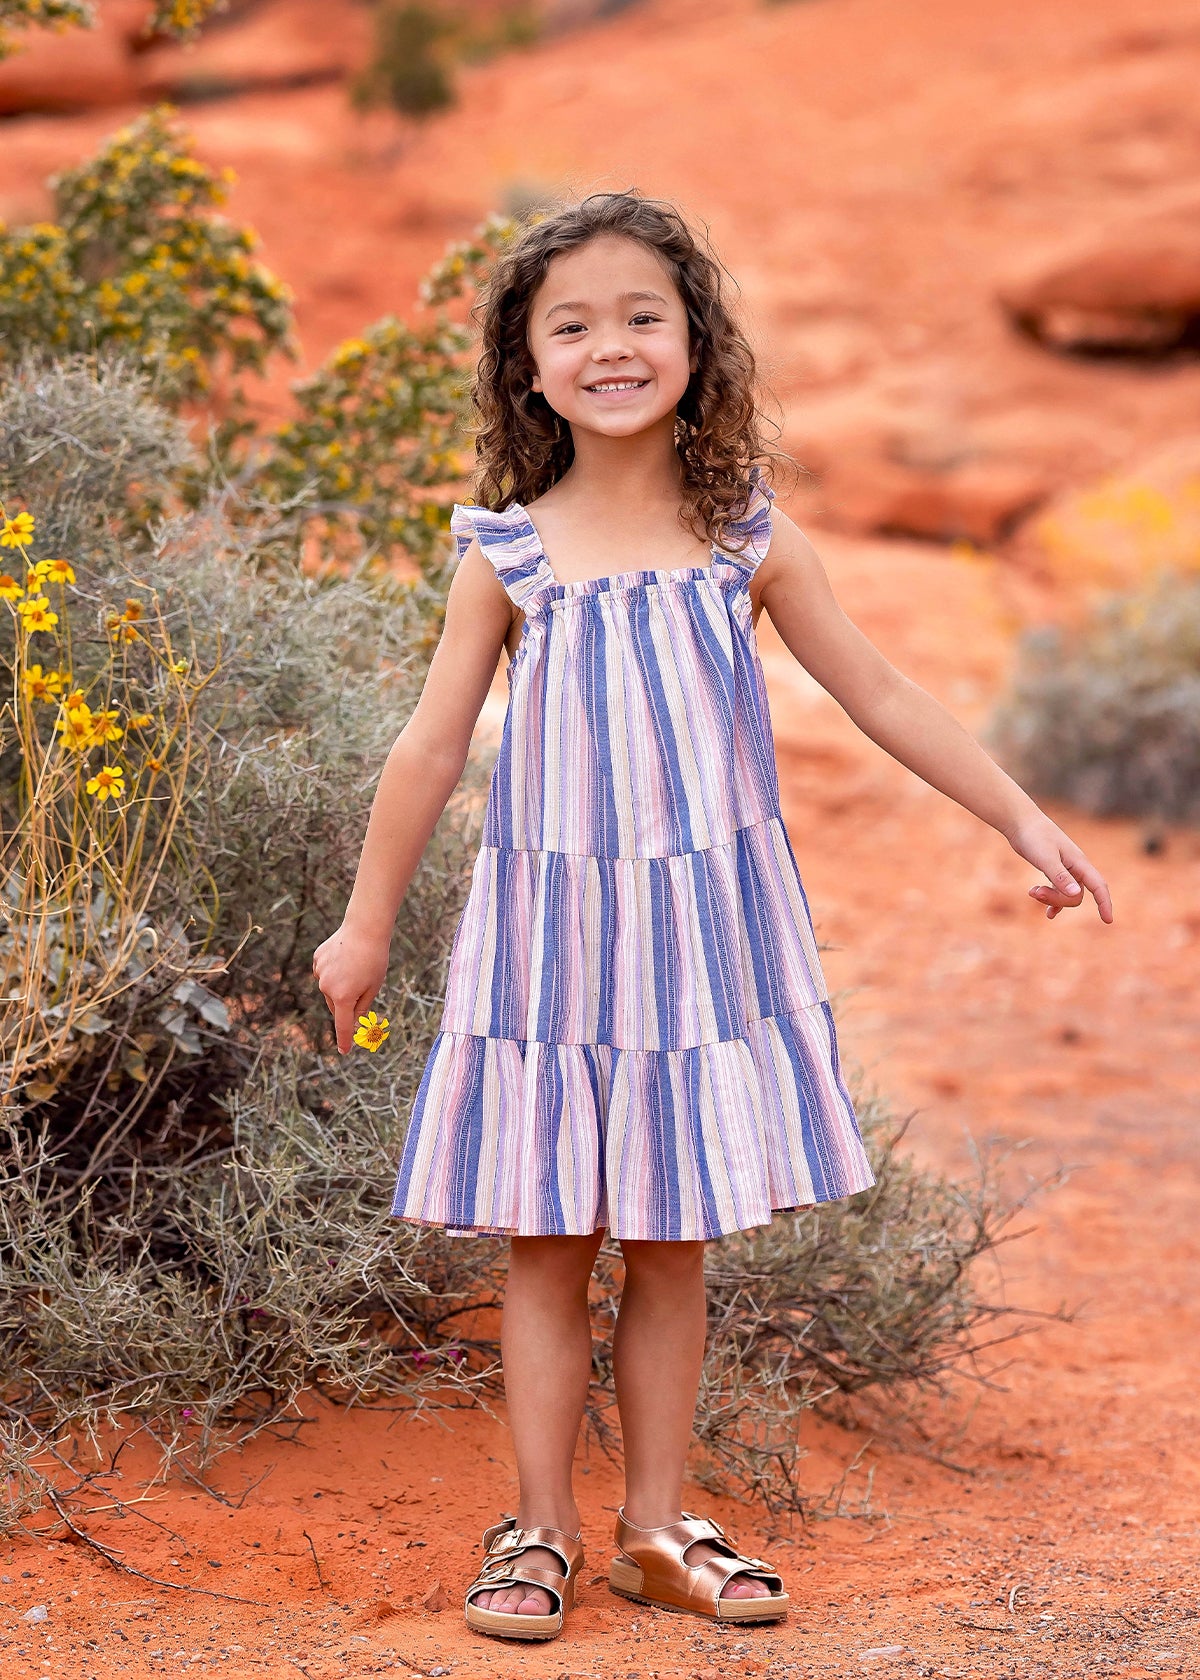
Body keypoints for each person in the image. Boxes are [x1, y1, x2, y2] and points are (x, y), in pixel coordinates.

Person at [312, 189, 1113, 1643]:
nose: (610, 345)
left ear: (694, 343)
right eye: (572, 325)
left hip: (696, 955)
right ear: (527, 366)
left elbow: (880, 693)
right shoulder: (507, 553)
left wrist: (1018, 813)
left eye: (641, 316)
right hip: (549, 952)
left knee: (673, 1244)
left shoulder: (744, 537)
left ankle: (657, 1529)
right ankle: (539, 1527)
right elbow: (429, 748)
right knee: (548, 1244)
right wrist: (361, 927)